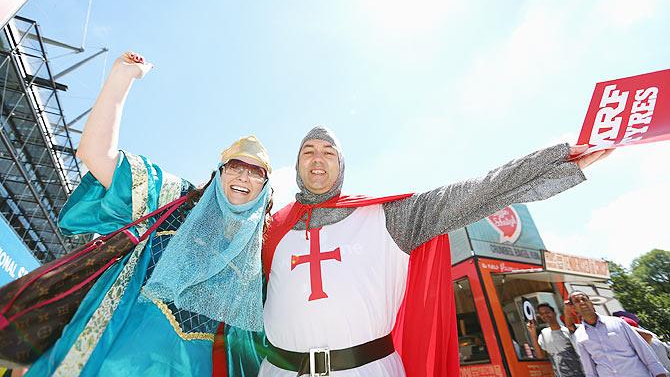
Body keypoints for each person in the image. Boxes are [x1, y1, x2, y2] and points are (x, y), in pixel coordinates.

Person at [256, 126, 612, 377]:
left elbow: (479, 192)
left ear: (341, 164)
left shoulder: (387, 217)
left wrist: (562, 160)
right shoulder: (270, 229)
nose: (318, 158)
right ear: (298, 164)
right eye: (308, 151)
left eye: (328, 152)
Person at [24, 52, 273, 377]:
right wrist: (121, 78)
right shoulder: (173, 200)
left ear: (266, 188)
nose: (243, 177)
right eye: (236, 166)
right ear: (219, 172)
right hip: (112, 361)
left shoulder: (260, 254)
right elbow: (95, 154)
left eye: (255, 172)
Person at [570, 291, 668, 377]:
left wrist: (660, 374)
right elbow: (589, 369)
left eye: (584, 299)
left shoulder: (618, 323)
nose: (582, 302)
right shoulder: (579, 335)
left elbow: (643, 351)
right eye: (577, 301)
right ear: (574, 309)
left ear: (591, 304)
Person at [527, 303, 585, 377]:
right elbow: (540, 356)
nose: (545, 315)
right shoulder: (544, 334)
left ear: (554, 313)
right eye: (542, 314)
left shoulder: (568, 330)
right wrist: (533, 333)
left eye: (547, 312)